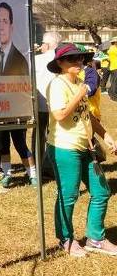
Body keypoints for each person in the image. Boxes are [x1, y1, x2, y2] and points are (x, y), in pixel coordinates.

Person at [46, 43, 117, 257]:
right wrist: (81, 92)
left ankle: (95, 238)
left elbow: (88, 116)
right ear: (60, 63)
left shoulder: (79, 82)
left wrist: (107, 137)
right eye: (72, 59)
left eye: (80, 59)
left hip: (86, 147)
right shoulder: (57, 85)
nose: (78, 62)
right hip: (64, 148)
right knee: (68, 195)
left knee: (102, 191)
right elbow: (60, 115)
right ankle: (65, 239)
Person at [0, 3, 37, 188]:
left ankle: (32, 175)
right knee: (2, 144)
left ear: (11, 26)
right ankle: (7, 172)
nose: (1, 25)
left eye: (5, 20)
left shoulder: (20, 58)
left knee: (20, 143)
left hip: (16, 110)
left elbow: (23, 86)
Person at [33, 31, 61, 178]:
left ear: (48, 45)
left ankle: (38, 165)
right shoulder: (60, 59)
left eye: (43, 44)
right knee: (54, 136)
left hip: (40, 103)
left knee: (38, 136)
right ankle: (50, 166)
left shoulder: (37, 60)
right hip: (57, 104)